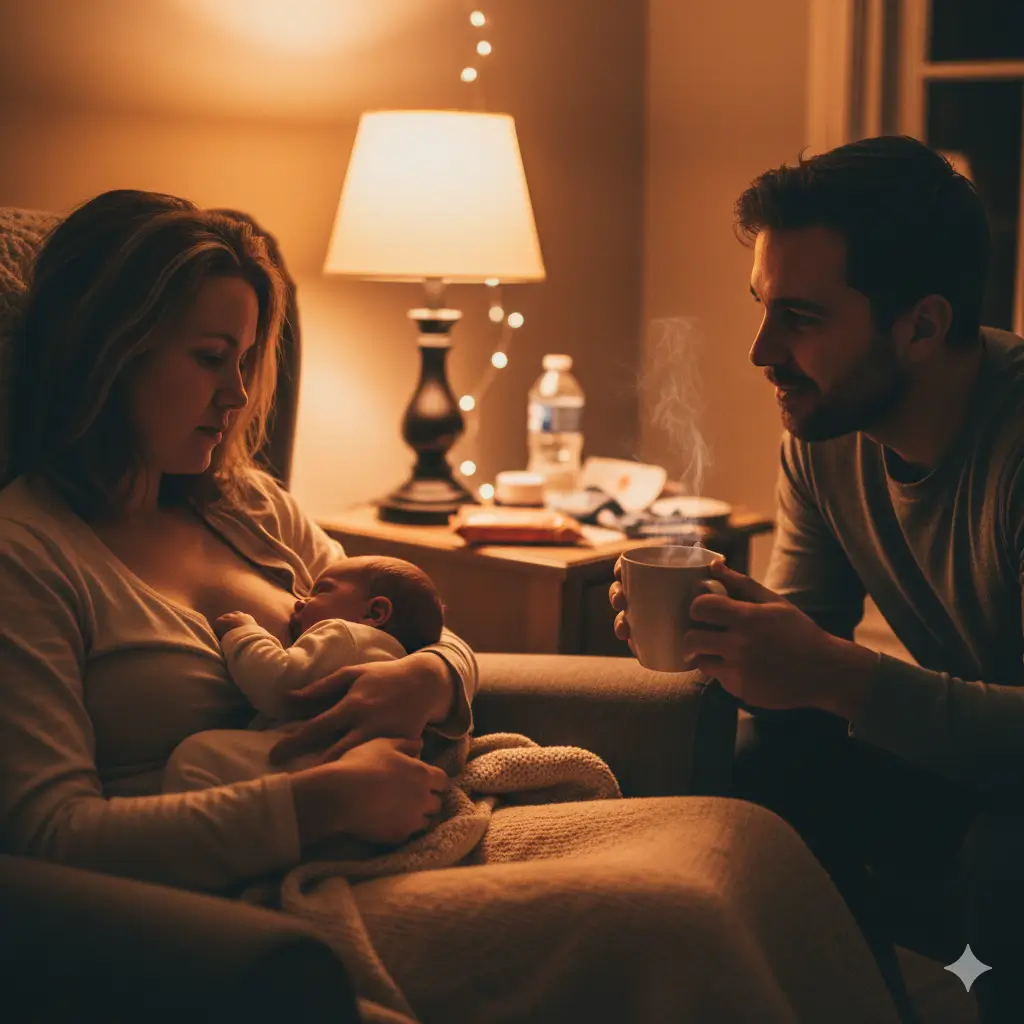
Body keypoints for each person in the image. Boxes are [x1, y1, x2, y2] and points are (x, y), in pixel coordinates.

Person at [0, 189, 904, 1024]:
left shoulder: (250, 509)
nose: (238, 397)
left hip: (394, 825)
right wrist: (316, 804)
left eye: (244, 362)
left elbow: (420, 623)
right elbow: (47, 837)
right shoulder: (29, 555)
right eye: (209, 360)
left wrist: (429, 678)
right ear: (108, 351)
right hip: (246, 895)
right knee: (667, 913)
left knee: (742, 841)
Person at [612, 135, 1024, 1023]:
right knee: (770, 770)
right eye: (762, 309)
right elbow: (800, 657)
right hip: (977, 758)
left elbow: (838, 675)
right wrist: (728, 635)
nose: (762, 351)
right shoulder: (822, 437)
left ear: (920, 325)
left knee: (1008, 857)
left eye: (800, 318)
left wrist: (834, 674)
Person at [163, 554, 448, 793]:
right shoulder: (397, 658)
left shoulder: (346, 634)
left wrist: (243, 632)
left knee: (196, 757)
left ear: (373, 614)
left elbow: (279, 685)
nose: (300, 601)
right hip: (367, 773)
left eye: (320, 590)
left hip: (313, 760)